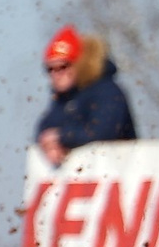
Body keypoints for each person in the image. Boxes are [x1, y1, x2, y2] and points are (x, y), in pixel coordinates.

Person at [34, 27, 136, 165]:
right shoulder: (63, 100)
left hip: (119, 169)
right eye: (50, 69)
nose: (56, 74)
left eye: (63, 66)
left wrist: (62, 137)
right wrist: (50, 144)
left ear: (78, 64)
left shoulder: (107, 91)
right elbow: (45, 128)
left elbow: (103, 132)